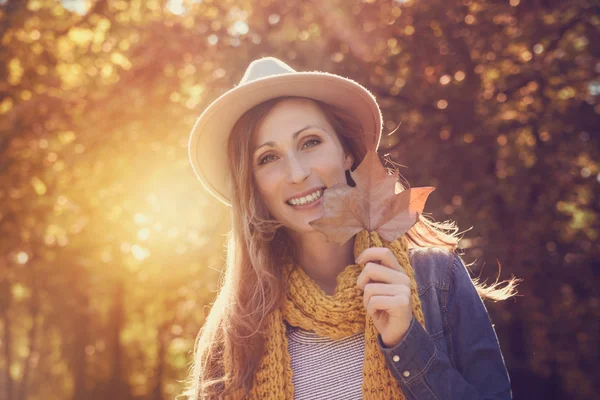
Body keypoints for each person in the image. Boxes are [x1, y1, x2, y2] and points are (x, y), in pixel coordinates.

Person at [183, 57, 519, 400]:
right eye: (268, 158)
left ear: (346, 154)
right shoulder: (236, 329)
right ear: (252, 185)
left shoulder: (436, 278)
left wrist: (406, 340)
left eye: (310, 142)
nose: (297, 173)